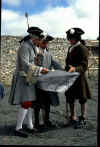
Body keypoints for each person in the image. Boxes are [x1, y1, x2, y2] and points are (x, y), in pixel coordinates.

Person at [8, 26, 48, 137]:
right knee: (26, 102)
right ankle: (18, 128)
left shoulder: (33, 47)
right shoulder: (24, 47)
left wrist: (38, 61)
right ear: (33, 37)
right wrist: (40, 69)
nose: (40, 41)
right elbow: (25, 65)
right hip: (23, 77)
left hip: (30, 77)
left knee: (30, 102)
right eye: (39, 39)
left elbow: (33, 62)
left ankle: (29, 126)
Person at [34, 35, 63, 129]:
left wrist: (64, 71)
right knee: (38, 104)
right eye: (44, 42)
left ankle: (47, 120)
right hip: (38, 82)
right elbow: (34, 66)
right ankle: (37, 123)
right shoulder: (35, 52)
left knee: (47, 103)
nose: (46, 44)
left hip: (48, 83)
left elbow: (55, 64)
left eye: (47, 42)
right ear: (40, 42)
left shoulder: (49, 54)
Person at [64, 28, 91, 129]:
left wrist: (74, 68)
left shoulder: (82, 48)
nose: (70, 40)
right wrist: (67, 68)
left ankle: (83, 118)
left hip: (79, 77)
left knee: (82, 98)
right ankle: (72, 117)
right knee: (70, 97)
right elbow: (67, 61)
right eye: (69, 38)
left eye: (72, 38)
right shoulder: (70, 48)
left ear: (77, 38)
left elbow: (84, 66)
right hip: (70, 77)